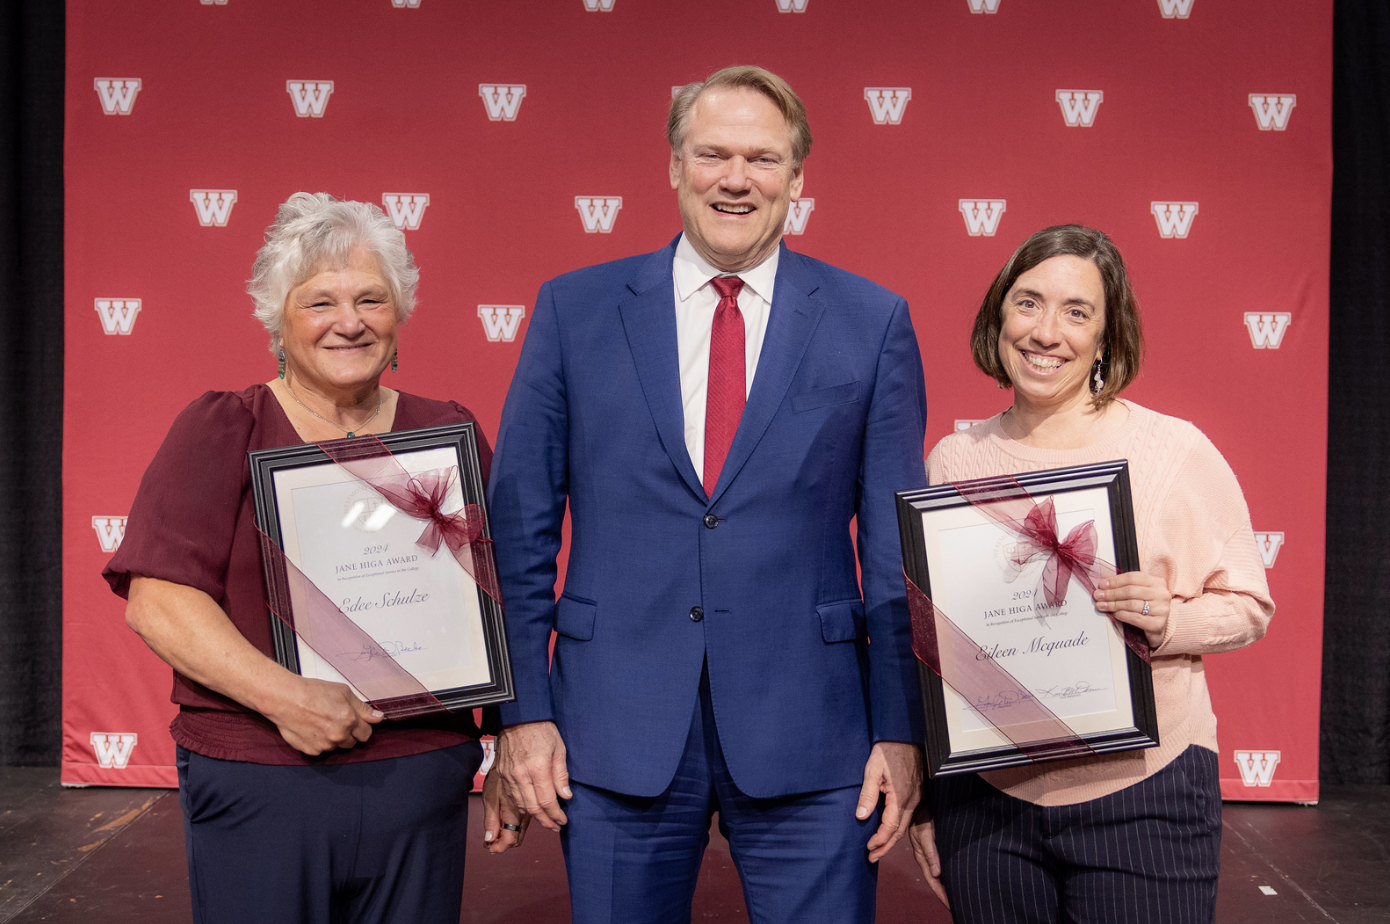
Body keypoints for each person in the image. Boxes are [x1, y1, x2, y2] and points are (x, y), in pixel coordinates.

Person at [485, 66, 928, 923]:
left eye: (763, 159)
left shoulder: (871, 321)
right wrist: (521, 714)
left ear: (798, 177)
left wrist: (900, 728)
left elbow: (891, 550)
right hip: (610, 729)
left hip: (818, 730)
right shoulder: (575, 312)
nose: (736, 179)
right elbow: (520, 529)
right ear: (673, 165)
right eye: (712, 154)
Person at [104, 192, 514, 924]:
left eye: (370, 299)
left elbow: (497, 597)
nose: (349, 322)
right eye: (320, 301)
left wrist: (512, 734)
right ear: (277, 320)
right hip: (264, 779)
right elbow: (158, 600)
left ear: (399, 316)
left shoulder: (447, 433)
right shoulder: (225, 427)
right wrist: (286, 697)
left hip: (419, 774)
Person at [909, 224, 1275, 923]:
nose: (1047, 332)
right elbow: (936, 653)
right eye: (1028, 303)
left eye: (1077, 313)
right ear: (998, 316)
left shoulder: (1169, 449)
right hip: (989, 804)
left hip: (1144, 792)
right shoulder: (953, 461)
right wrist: (932, 794)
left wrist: (1168, 619)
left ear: (1107, 339)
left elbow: (1249, 606)